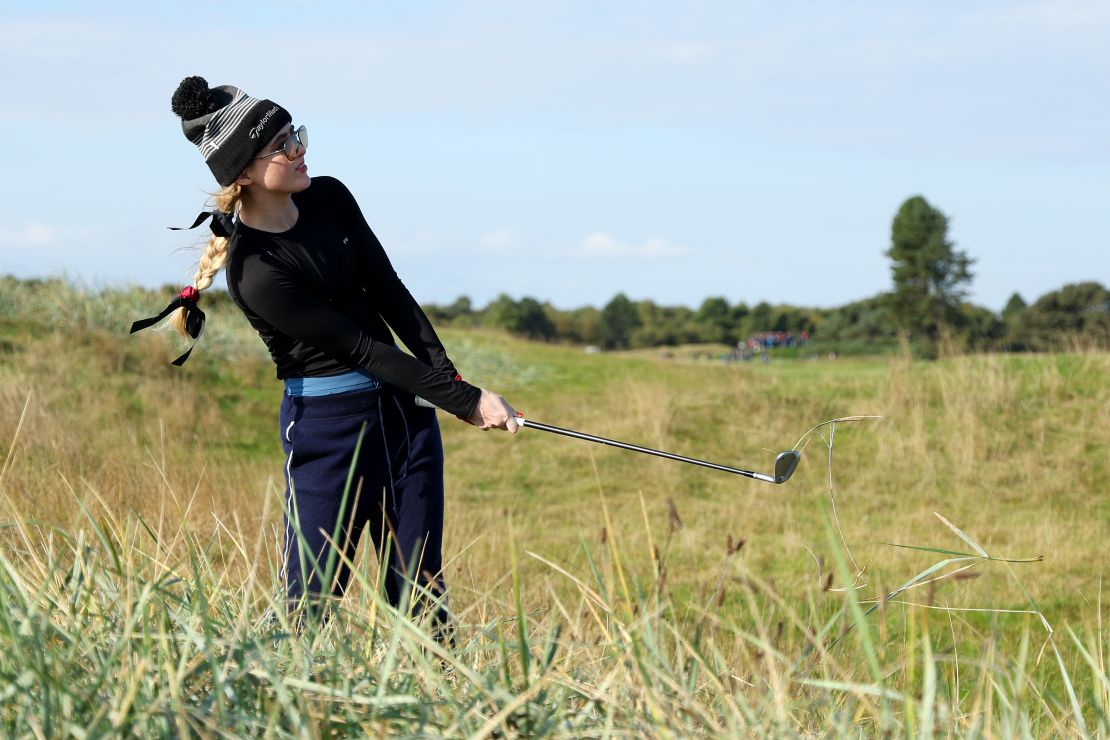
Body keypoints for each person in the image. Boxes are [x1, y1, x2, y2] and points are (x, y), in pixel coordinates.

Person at [137, 76, 519, 630]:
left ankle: (445, 703)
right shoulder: (256, 273)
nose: (300, 150)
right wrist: (464, 402)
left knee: (421, 593)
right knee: (310, 605)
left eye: (297, 135)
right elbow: (361, 348)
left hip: (404, 417)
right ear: (244, 172)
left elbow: (389, 291)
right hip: (327, 432)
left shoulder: (331, 197)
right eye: (282, 146)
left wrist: (453, 382)